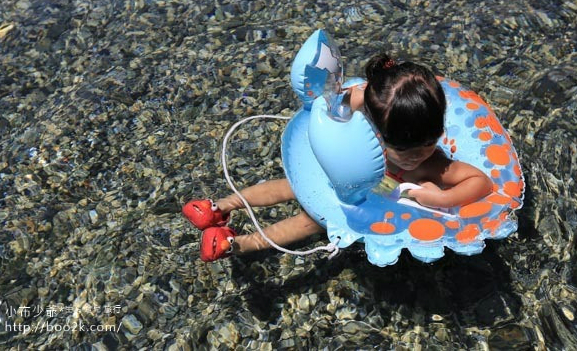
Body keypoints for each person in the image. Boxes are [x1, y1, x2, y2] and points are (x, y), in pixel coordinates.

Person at [183, 53, 493, 261]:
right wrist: (332, 100)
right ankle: (220, 207)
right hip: (346, 173)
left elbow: (481, 183)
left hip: (367, 199)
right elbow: (348, 98)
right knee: (289, 186)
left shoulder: (433, 166)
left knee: (310, 221)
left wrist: (438, 198)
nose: (415, 156)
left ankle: (237, 243)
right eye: (404, 149)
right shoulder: (373, 108)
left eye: (427, 143)